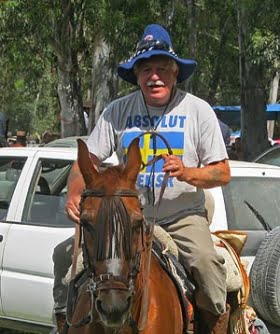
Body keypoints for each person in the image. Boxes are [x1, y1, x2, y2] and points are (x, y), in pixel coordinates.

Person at [53, 24, 231, 333]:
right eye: (146, 69)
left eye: (162, 68)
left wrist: (188, 172)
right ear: (136, 76)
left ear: (176, 74)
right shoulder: (117, 111)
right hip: (124, 218)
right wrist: (74, 191)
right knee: (63, 256)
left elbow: (222, 171)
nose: (154, 76)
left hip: (181, 216)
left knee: (206, 265)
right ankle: (62, 323)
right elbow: (87, 160)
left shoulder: (198, 110)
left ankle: (211, 327)